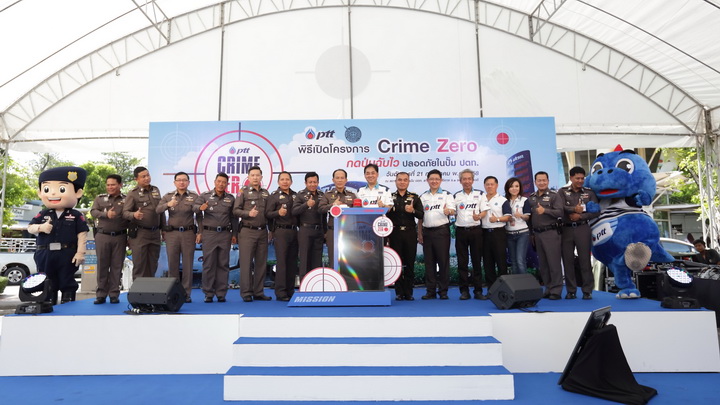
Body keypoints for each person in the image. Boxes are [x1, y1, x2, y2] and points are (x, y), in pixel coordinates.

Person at [28, 166, 89, 304]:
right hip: (45, 253)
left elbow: (82, 235)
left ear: (78, 193)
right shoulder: (43, 214)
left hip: (66, 253)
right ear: (40, 192)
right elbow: (30, 228)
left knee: (67, 279)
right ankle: (48, 302)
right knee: (47, 280)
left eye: (62, 189)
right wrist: (41, 227)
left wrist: (80, 253)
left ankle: (68, 303)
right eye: (47, 189)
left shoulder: (75, 215)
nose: (53, 194)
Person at [194, 173, 238, 303]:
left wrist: (234, 234)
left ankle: (221, 293)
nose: (221, 184)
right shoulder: (205, 196)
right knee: (209, 264)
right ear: (214, 182)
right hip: (209, 234)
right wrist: (200, 208)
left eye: (224, 182)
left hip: (225, 234)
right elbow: (194, 208)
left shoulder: (230, 198)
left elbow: (234, 218)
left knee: (223, 264)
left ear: (227, 184)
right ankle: (208, 293)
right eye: (219, 181)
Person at [157, 171, 199, 302]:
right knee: (172, 264)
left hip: (188, 233)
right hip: (172, 234)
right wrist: (167, 205)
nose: (182, 182)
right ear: (174, 182)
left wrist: (200, 232)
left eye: (184, 180)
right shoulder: (168, 196)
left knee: (188, 265)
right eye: (179, 180)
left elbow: (199, 215)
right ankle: (173, 294)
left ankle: (186, 294)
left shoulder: (194, 196)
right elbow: (157, 210)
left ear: (188, 182)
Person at [559, 167, 600, 300]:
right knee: (568, 261)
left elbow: (596, 211)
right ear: (571, 178)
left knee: (585, 260)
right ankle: (571, 291)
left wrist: (580, 216)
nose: (580, 181)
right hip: (566, 229)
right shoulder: (562, 192)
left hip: (583, 228)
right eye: (577, 178)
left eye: (582, 178)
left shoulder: (589, 193)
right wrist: (573, 209)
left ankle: (587, 291)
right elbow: (559, 208)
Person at [233, 166, 271, 302]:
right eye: (252, 175)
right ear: (248, 177)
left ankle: (258, 292)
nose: (255, 177)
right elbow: (235, 211)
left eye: (257, 175)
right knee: (246, 263)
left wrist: (271, 230)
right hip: (247, 231)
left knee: (261, 263)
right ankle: (246, 292)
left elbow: (269, 213)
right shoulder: (242, 192)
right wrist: (248, 213)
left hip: (263, 231)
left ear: (261, 177)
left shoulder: (266, 193)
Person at [90, 174, 129, 304]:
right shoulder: (100, 198)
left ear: (120, 185)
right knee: (102, 265)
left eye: (113, 184)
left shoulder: (126, 199)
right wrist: (106, 214)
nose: (110, 187)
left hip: (120, 236)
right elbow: (93, 212)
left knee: (117, 266)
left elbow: (130, 218)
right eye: (108, 185)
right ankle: (101, 294)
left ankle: (114, 294)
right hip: (103, 236)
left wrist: (130, 236)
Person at [386, 171, 424, 301]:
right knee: (396, 263)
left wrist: (413, 210)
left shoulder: (415, 197)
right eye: (400, 179)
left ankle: (409, 292)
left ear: (408, 182)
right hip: (395, 233)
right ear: (395, 181)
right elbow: (384, 215)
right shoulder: (389, 197)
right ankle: (399, 292)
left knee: (409, 262)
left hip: (410, 233)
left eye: (405, 180)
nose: (402, 182)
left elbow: (421, 215)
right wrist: (385, 208)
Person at [418, 169, 455, 300]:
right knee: (429, 262)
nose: (434, 181)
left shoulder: (447, 195)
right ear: (427, 180)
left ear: (441, 180)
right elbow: (420, 217)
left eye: (437, 179)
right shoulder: (423, 197)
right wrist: (419, 233)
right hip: (427, 232)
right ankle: (430, 291)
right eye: (431, 179)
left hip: (442, 231)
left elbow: (453, 211)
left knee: (443, 262)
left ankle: (443, 291)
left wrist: (448, 211)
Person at [122, 166, 164, 280]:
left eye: (148, 175)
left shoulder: (156, 190)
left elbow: (160, 211)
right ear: (136, 179)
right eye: (143, 176)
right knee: (140, 265)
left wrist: (163, 229)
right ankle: (138, 290)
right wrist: (134, 215)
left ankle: (149, 289)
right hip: (140, 233)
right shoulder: (133, 193)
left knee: (153, 264)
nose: (147, 178)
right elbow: (125, 213)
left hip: (155, 233)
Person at [528, 171, 564, 300]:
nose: (542, 182)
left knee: (553, 263)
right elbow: (530, 217)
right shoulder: (531, 197)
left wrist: (545, 211)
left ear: (548, 181)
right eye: (539, 180)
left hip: (551, 232)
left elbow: (560, 212)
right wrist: (531, 234)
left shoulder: (554, 195)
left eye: (544, 180)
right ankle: (548, 288)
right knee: (543, 264)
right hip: (537, 234)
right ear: (535, 182)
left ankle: (556, 290)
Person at [453, 169, 488, 300]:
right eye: (464, 179)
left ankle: (478, 291)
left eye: (469, 179)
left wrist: (479, 216)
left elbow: (484, 211)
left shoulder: (480, 194)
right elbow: (452, 211)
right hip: (461, 231)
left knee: (476, 261)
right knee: (462, 262)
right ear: (460, 181)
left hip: (476, 231)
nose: (467, 181)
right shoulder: (456, 196)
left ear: (473, 180)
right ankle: (464, 291)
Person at [266, 171, 298, 301]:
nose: (285, 181)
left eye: (287, 179)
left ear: (291, 181)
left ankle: (290, 291)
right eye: (282, 179)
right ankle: (280, 292)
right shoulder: (274, 196)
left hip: (294, 231)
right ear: (278, 182)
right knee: (282, 263)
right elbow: (268, 214)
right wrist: (278, 213)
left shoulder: (296, 196)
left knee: (292, 263)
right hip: (280, 232)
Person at [319, 169, 357, 268]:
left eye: (342, 178)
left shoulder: (352, 195)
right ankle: (334, 278)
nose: (340, 180)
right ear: (333, 180)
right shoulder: (327, 195)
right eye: (337, 178)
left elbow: (358, 212)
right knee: (333, 259)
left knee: (349, 259)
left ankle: (347, 278)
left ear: (346, 180)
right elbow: (320, 209)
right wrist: (333, 205)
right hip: (333, 232)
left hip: (348, 231)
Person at [481, 176, 512, 297]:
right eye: (487, 184)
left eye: (492, 184)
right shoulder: (481, 199)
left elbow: (508, 217)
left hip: (498, 233)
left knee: (501, 263)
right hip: (484, 233)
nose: (489, 186)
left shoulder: (502, 200)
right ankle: (491, 291)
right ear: (484, 186)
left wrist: (497, 219)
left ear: (497, 185)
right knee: (488, 263)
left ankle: (503, 292)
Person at [292, 172, 325, 281]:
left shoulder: (322, 195)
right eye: (310, 182)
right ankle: (304, 285)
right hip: (305, 230)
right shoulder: (300, 195)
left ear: (318, 182)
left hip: (319, 231)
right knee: (304, 259)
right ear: (305, 183)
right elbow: (294, 211)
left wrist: (324, 231)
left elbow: (324, 214)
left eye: (315, 182)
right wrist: (306, 205)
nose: (312, 184)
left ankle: (316, 284)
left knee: (317, 260)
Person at [504, 177, 531, 275]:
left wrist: (520, 215)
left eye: (517, 186)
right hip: (509, 234)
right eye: (511, 186)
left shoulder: (524, 200)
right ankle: (516, 283)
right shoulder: (504, 201)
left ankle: (524, 283)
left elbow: (527, 217)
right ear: (507, 188)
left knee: (520, 260)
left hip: (522, 233)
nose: (514, 189)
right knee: (513, 261)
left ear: (520, 188)